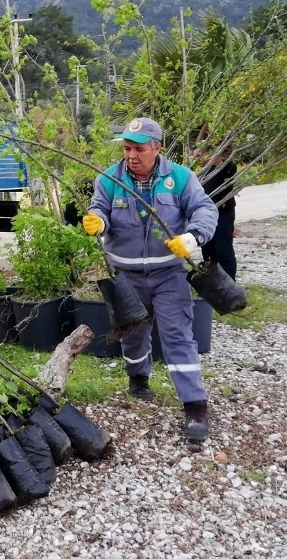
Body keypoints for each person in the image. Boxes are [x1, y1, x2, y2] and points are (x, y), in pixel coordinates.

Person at [82, 117, 218, 442]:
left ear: (157, 148)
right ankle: (138, 379)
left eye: (138, 149)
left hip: (168, 273)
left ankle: (194, 405)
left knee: (178, 336)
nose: (131, 155)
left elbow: (204, 209)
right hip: (125, 275)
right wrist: (98, 221)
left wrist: (194, 236)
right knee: (133, 333)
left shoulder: (181, 178)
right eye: (127, 148)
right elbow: (98, 207)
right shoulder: (110, 179)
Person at [198, 146, 238, 281]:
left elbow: (224, 189)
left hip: (223, 212)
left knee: (223, 248)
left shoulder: (229, 166)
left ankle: (229, 283)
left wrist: (220, 163)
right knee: (207, 248)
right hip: (204, 213)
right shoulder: (204, 167)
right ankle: (212, 282)